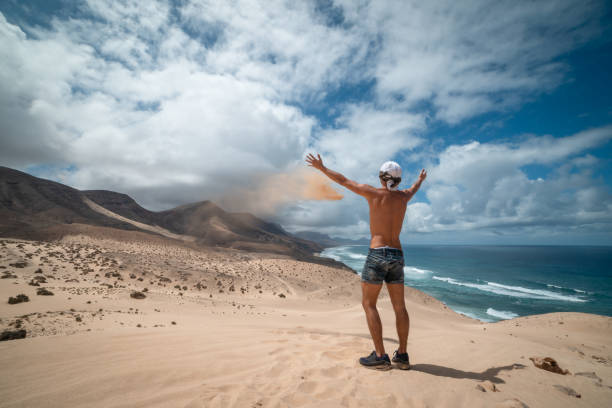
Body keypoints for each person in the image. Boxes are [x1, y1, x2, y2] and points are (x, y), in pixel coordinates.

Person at [305, 153, 427, 371]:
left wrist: (322, 168)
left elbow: (343, 181)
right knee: (400, 307)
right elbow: (414, 189)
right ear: (398, 180)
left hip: (377, 253)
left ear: (381, 177)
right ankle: (403, 355)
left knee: (369, 304)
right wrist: (419, 181)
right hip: (397, 254)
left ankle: (380, 356)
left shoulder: (372, 193)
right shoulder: (403, 197)